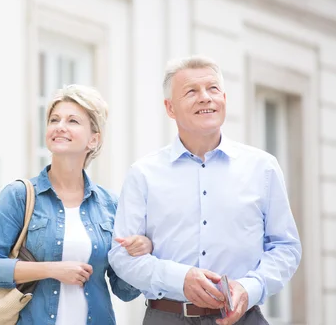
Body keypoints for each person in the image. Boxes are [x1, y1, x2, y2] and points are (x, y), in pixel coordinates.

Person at [108, 56, 302, 325]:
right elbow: (121, 257)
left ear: (224, 98)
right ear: (170, 108)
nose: (205, 98)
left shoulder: (263, 168)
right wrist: (181, 279)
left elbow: (286, 247)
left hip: (242, 318)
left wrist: (250, 288)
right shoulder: (143, 173)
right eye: (191, 91)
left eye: (212, 89)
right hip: (167, 317)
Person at [0, 84, 152, 324]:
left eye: (72, 121)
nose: (60, 127)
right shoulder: (19, 195)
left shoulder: (110, 205)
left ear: (93, 139)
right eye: (54, 119)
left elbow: (124, 290)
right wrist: (51, 270)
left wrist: (140, 254)